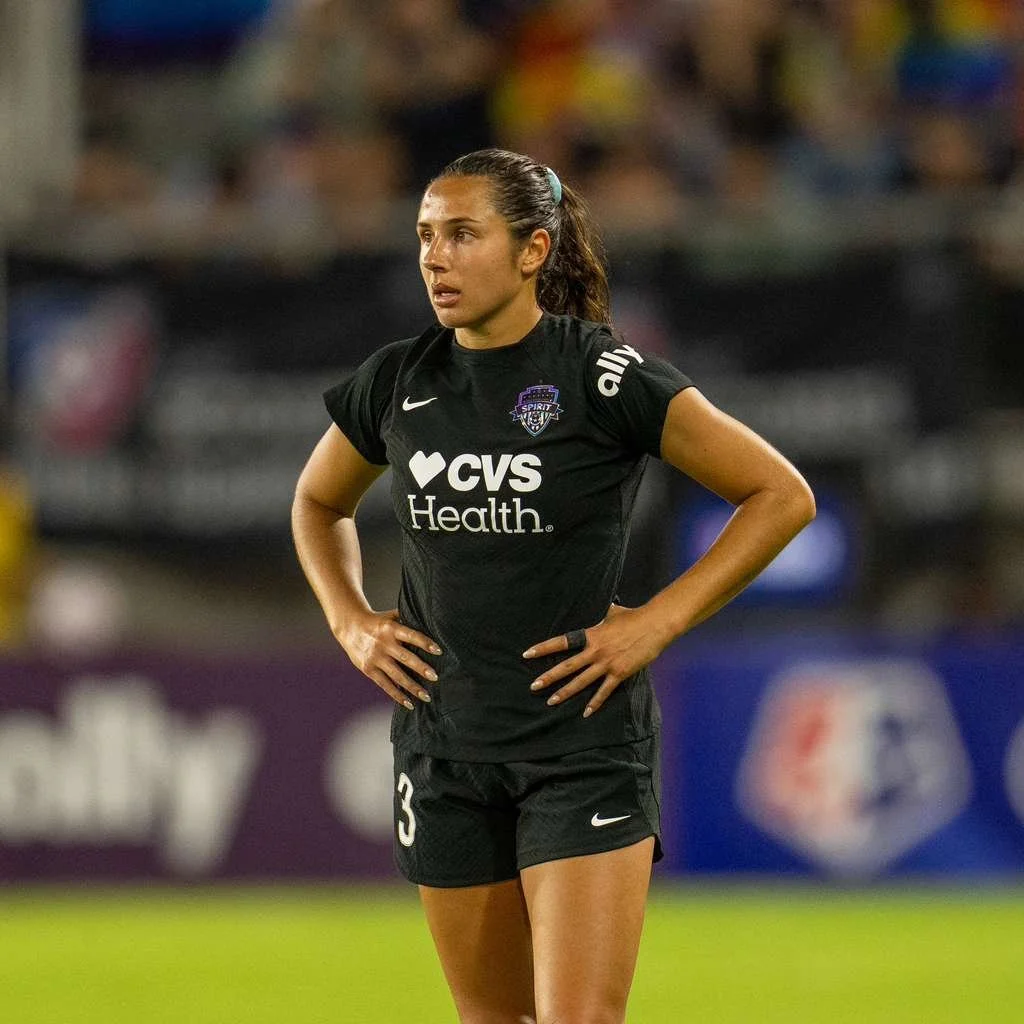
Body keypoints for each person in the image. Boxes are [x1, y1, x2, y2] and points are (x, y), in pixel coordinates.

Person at [292, 147, 815, 1024]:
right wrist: (349, 619)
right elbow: (317, 501)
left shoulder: (604, 376)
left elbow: (780, 496)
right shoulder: (400, 378)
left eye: (463, 234)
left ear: (534, 250)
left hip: (580, 750)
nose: (435, 257)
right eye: (425, 236)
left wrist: (655, 623)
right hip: (444, 745)